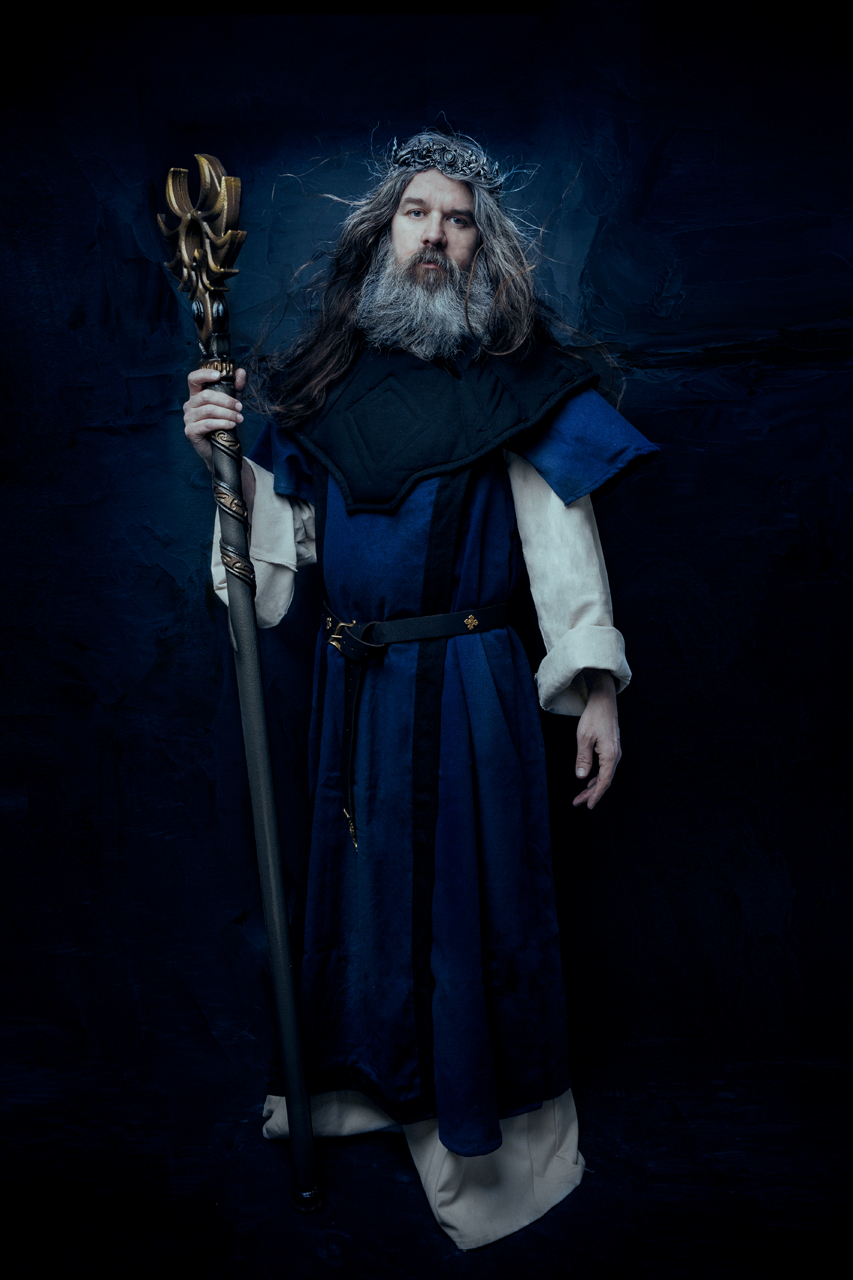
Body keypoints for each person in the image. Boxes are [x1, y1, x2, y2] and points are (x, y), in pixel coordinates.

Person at [183, 131, 657, 1251]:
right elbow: (268, 585)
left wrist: (594, 685)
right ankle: (372, 1089)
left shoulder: (517, 378)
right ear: (381, 236)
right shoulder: (317, 388)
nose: (435, 234)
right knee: (367, 902)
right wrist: (225, 466)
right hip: (355, 693)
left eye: (457, 219)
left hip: (472, 686)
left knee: (470, 903)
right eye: (416, 214)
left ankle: (482, 1128)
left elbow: (560, 542)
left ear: (480, 246)